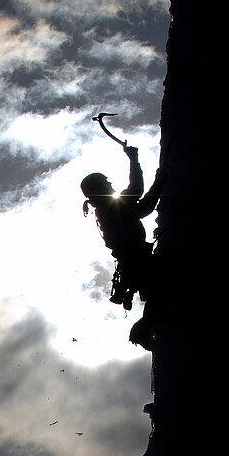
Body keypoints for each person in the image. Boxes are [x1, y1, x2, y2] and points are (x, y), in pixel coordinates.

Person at [81, 144, 165, 347]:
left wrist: (158, 183)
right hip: (137, 261)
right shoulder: (110, 208)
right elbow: (138, 194)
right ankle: (144, 331)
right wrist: (135, 161)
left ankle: (146, 330)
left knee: (159, 292)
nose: (110, 183)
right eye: (106, 182)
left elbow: (142, 206)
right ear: (99, 189)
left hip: (135, 262)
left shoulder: (108, 209)